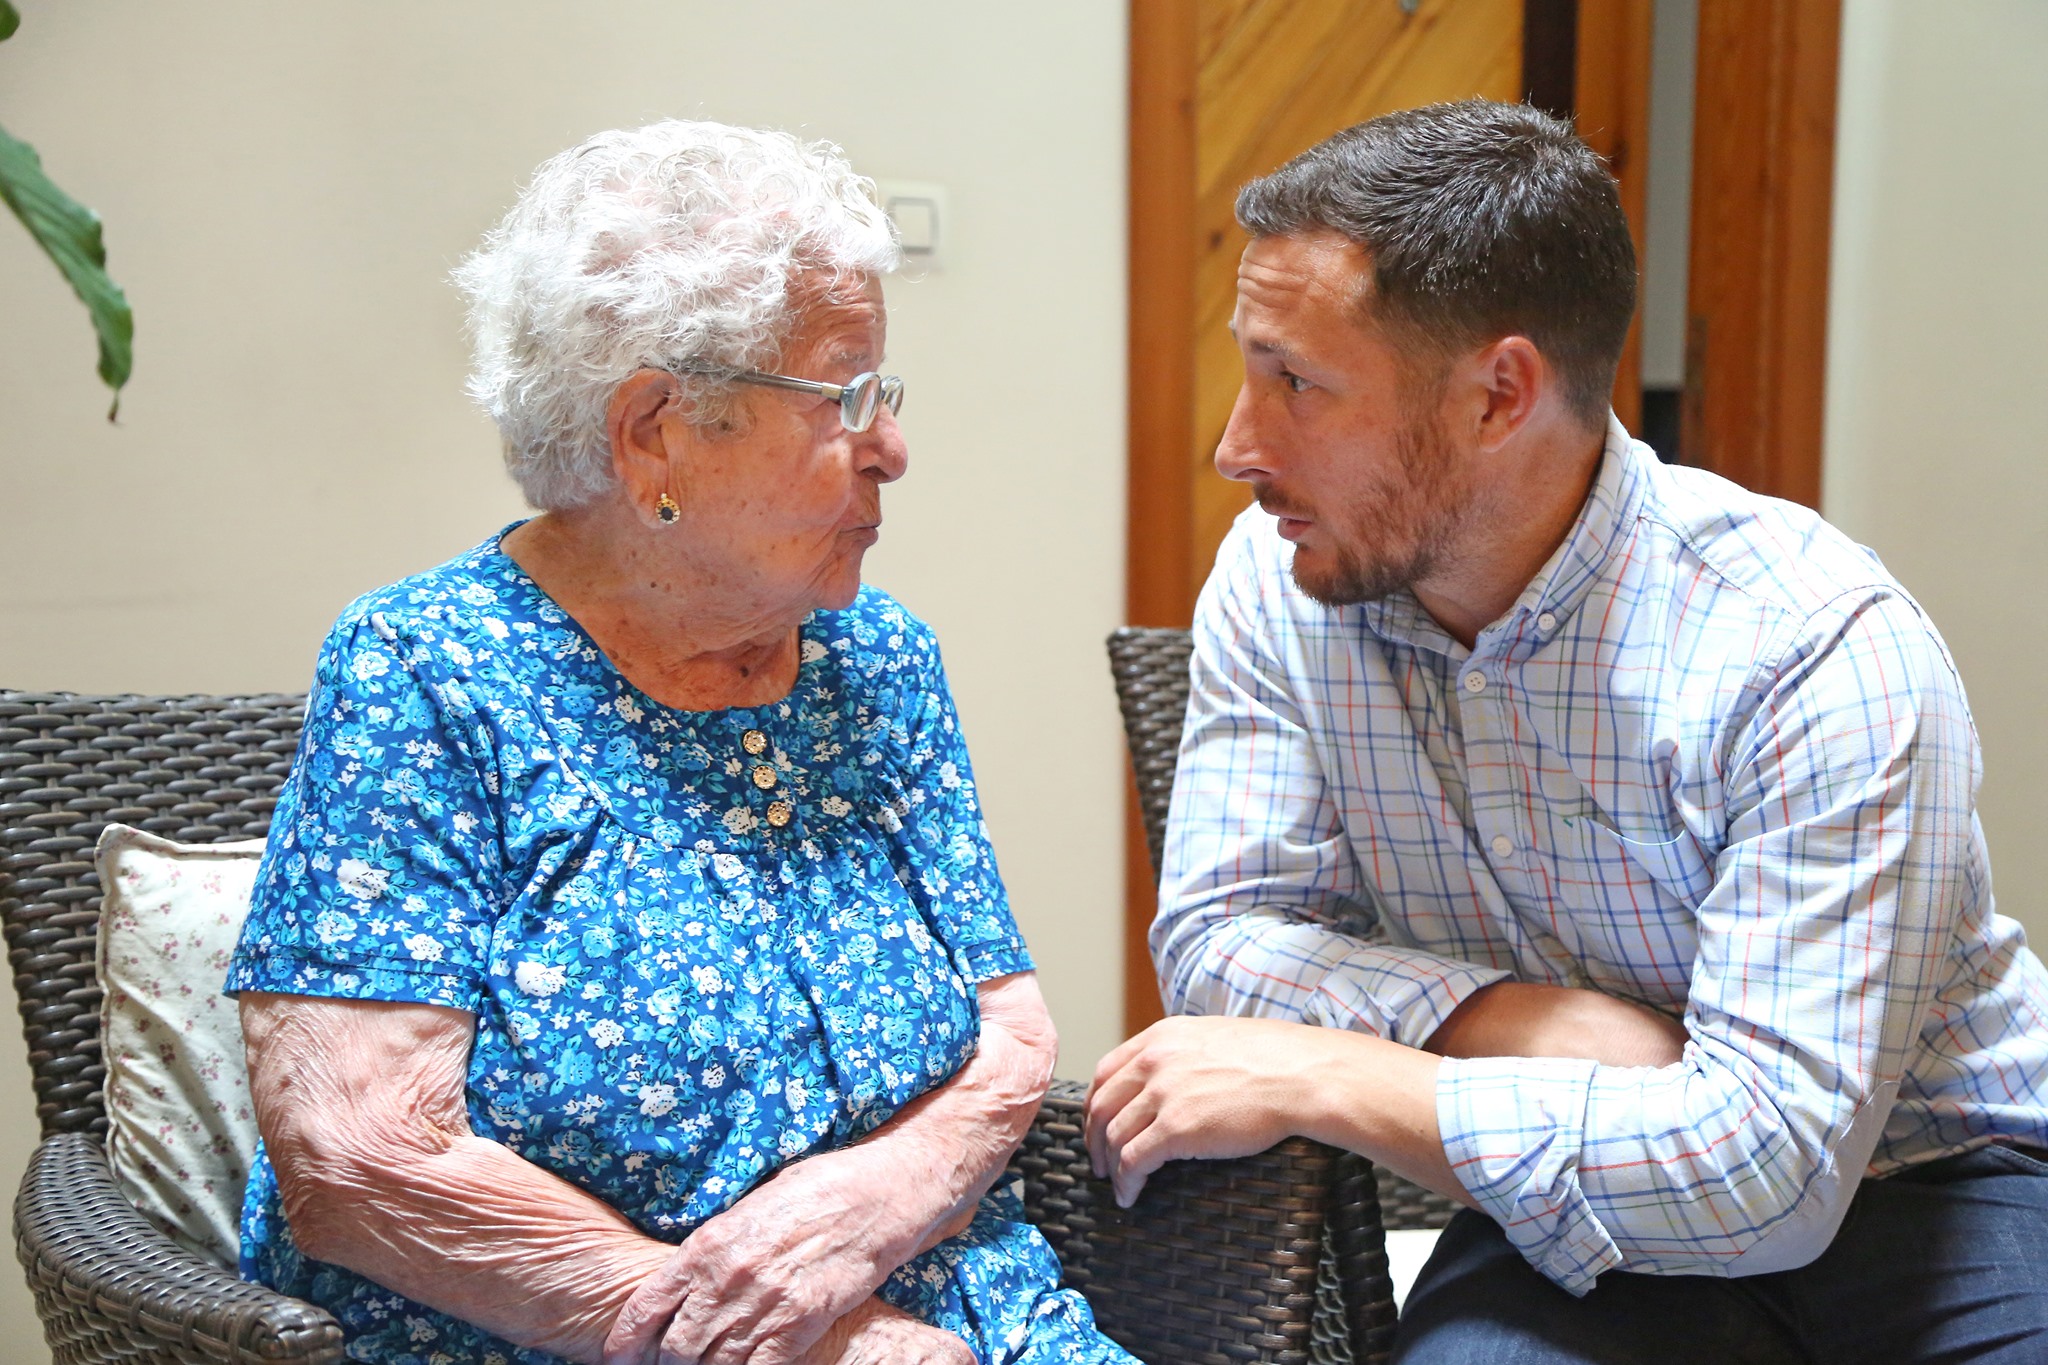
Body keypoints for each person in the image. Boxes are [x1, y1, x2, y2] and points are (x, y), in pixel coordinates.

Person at [1084, 99, 2048, 1362]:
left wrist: (1334, 1075)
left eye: (1298, 384)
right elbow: (1218, 946)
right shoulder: (1283, 578)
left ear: (1499, 396)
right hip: (1579, 1207)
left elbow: (1769, 1172)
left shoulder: (1809, 643)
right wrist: (1521, 1021)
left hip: (1935, 1185)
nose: (1235, 446)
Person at [228, 120, 1137, 1365]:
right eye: (848, 396)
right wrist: (808, 1341)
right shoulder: (430, 669)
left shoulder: (876, 660)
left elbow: (1011, 1027)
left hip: (982, 1322)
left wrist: (873, 1204)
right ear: (656, 430)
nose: (894, 448)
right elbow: (358, 1161)